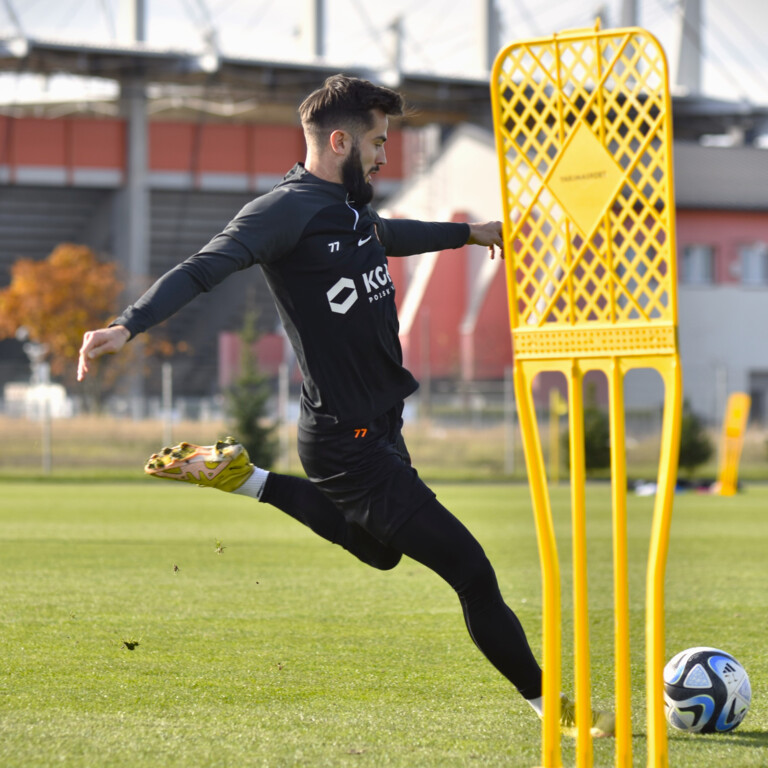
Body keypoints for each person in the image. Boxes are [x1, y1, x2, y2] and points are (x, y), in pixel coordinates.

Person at [78, 74, 613, 738]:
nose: (387, 155)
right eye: (379, 142)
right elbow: (203, 266)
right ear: (340, 141)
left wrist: (469, 234)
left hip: (379, 424)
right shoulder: (283, 211)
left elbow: (382, 235)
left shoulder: (351, 206)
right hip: (346, 438)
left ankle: (245, 480)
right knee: (472, 570)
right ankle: (556, 709)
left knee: (382, 553)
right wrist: (125, 326)